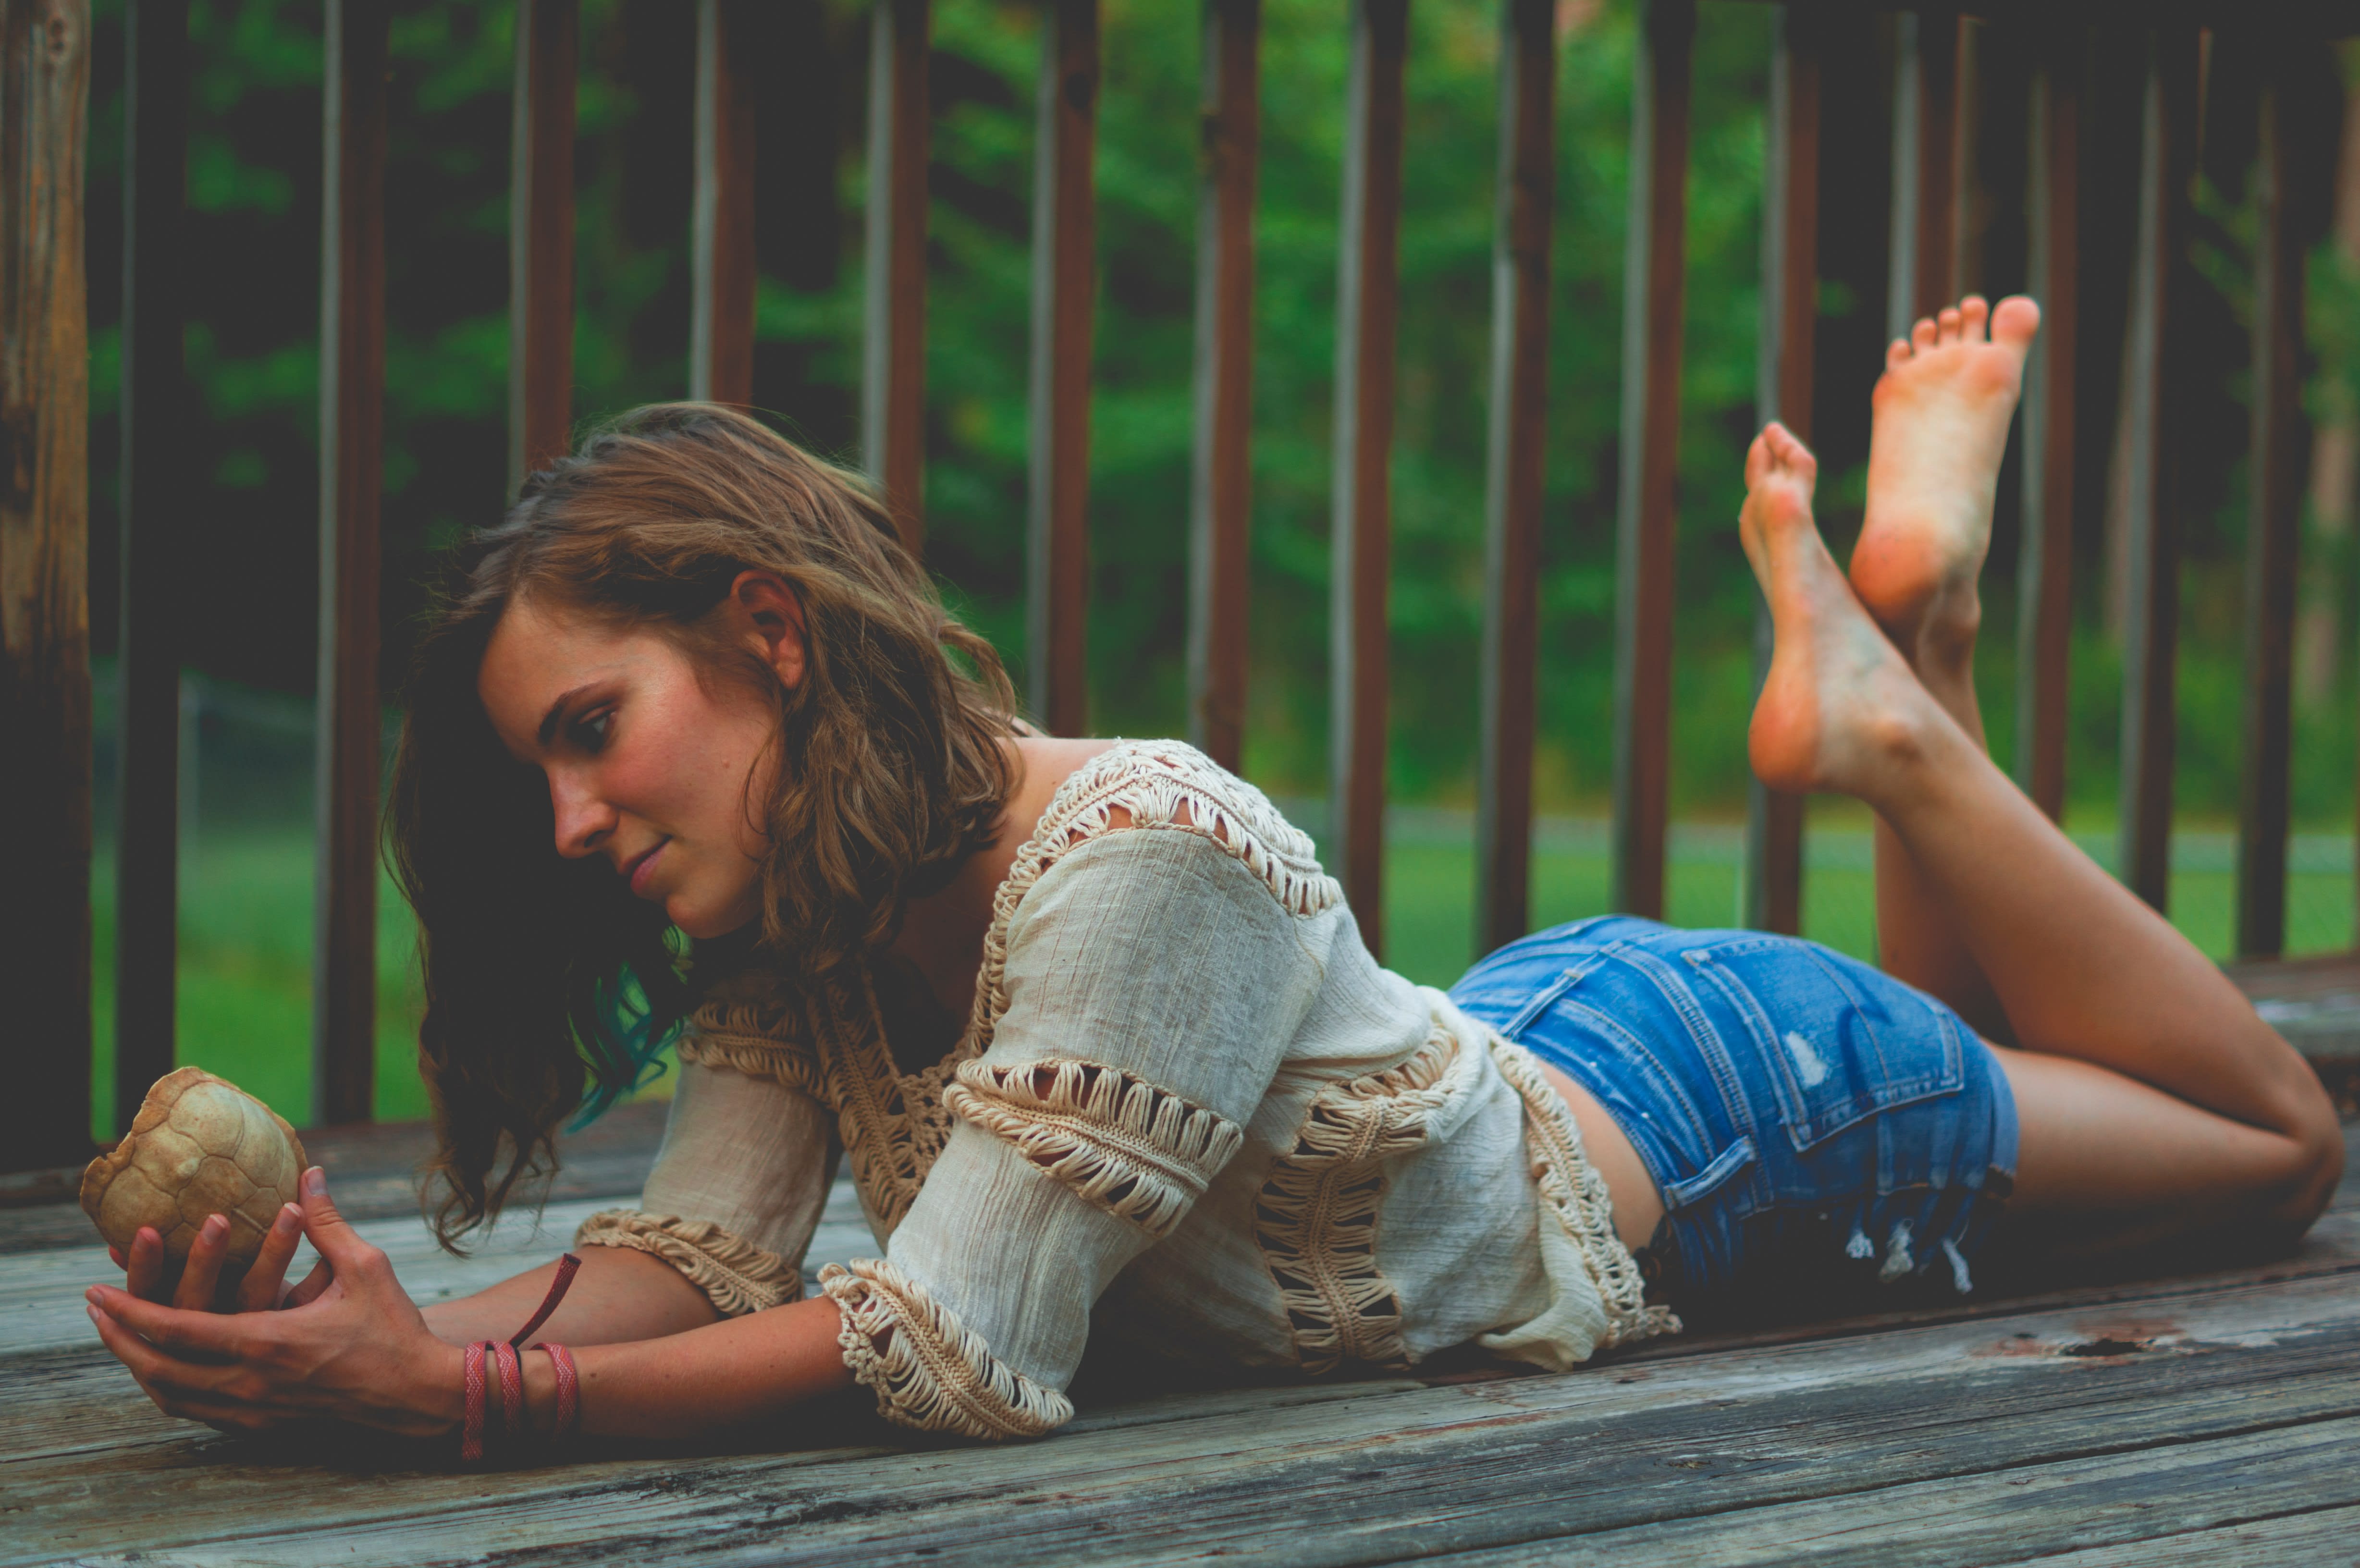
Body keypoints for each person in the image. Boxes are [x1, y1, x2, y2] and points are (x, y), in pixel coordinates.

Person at [86, 296, 2343, 1451]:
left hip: (1725, 1101)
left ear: (766, 634)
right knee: (2026, 1067)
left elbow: (956, 1338)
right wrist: (331, 1341)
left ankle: (1885, 712)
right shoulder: (802, 911)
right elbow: (697, 1259)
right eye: (541, 776)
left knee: (2267, 1151)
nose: (573, 824)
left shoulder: (1140, 848)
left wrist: (457, 1408)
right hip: (1542, 1055)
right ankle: (1908, 649)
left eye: (593, 732)